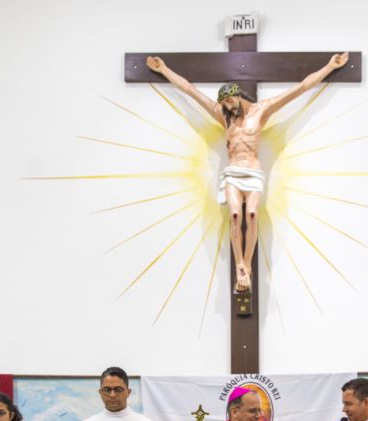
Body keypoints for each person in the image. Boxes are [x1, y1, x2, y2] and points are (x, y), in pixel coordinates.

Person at [146, 52, 349, 293]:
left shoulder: (262, 110)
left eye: (229, 102)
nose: (227, 107)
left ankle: (247, 265)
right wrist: (163, 69)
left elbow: (302, 87)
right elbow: (189, 89)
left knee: (251, 215)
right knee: (235, 215)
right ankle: (239, 266)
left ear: (238, 95)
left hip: (253, 173)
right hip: (233, 173)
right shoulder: (223, 115)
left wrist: (329, 67)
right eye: (223, 104)